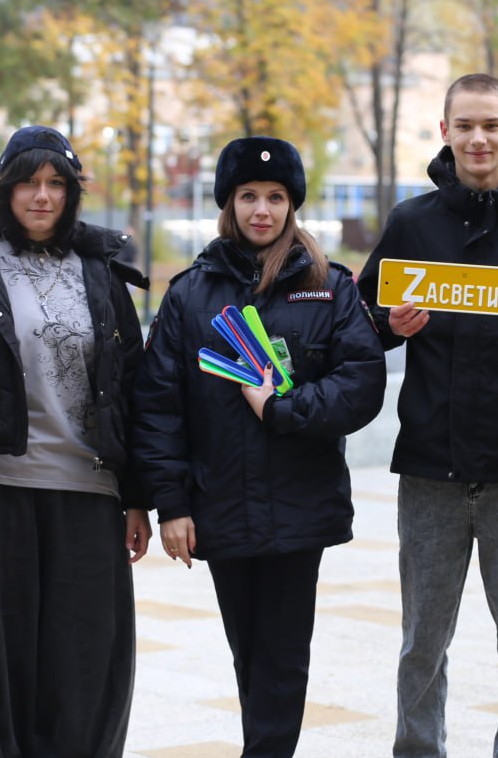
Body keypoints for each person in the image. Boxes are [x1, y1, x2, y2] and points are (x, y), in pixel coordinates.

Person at [133, 136, 386, 757]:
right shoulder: (189, 293)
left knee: (283, 659)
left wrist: (282, 408)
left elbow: (361, 385)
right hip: (220, 503)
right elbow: (159, 406)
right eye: (249, 196)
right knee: (249, 654)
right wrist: (172, 504)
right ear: (229, 204)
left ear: (292, 205)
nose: (262, 210)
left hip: (300, 508)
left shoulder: (331, 287)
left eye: (275, 197)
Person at [356, 73, 498, 758]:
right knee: (421, 643)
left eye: (490, 125)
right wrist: (390, 325)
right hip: (430, 467)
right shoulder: (411, 223)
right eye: (465, 125)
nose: (477, 138)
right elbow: (362, 324)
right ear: (445, 132)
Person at [0, 125, 151, 758]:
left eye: (56, 184)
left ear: (72, 193)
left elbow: (133, 386)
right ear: (6, 190)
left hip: (86, 494)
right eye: (28, 182)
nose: (42, 196)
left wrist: (138, 495)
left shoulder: (103, 274)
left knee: (83, 672)